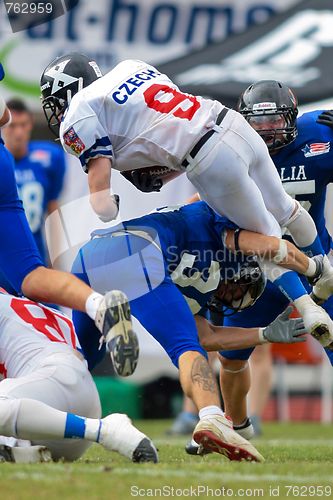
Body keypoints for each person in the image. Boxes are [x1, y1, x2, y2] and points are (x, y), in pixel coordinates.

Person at [39, 53, 333, 329]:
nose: (55, 111)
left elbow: (102, 200)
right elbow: (174, 126)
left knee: (267, 236)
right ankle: (325, 270)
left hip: (209, 159)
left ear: (70, 89)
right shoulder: (130, 66)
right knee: (284, 208)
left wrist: (107, 206)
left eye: (54, 100)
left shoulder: (78, 113)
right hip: (228, 121)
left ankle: (309, 309)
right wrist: (157, 171)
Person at [69, 201, 330, 461]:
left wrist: (264, 334)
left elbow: (208, 336)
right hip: (138, 251)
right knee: (186, 347)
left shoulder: (197, 277)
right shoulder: (220, 227)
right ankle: (211, 416)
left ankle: (50, 417)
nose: (231, 296)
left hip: (90, 256)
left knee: (81, 361)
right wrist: (314, 268)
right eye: (239, 289)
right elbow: (270, 248)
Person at [0, 64, 138, 377]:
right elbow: (3, 116)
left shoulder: (45, 160)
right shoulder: (43, 156)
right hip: (2, 165)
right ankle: (98, 306)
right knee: (33, 277)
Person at [218, 80, 333, 437]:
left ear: (292, 117)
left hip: (315, 264)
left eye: (274, 120)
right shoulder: (229, 151)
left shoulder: (319, 136)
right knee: (231, 356)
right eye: (258, 121)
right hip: (256, 272)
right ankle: (237, 425)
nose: (266, 130)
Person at [0, 289, 157, 463]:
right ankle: (20, 455)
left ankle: (104, 430)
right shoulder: (26, 308)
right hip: (69, 407)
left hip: (54, 386)